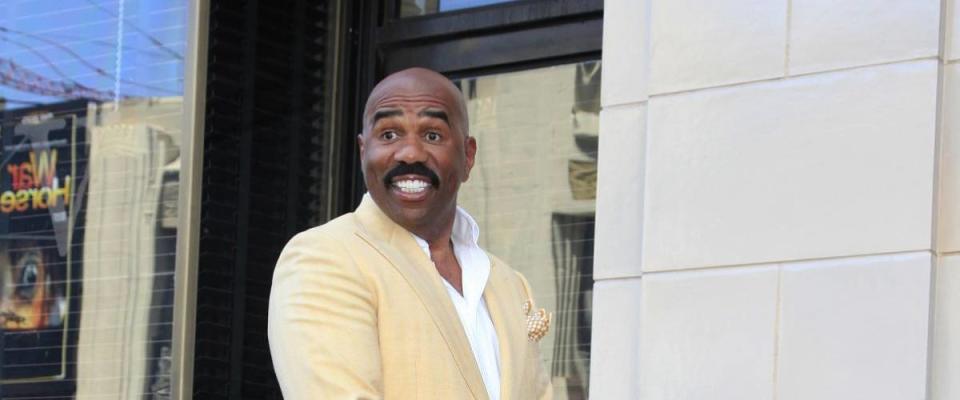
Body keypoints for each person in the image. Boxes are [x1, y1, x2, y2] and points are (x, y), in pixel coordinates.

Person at [268, 67, 553, 400]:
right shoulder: (325, 259)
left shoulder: (509, 284)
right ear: (363, 152)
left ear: (468, 156)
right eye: (389, 135)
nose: (410, 153)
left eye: (432, 135)